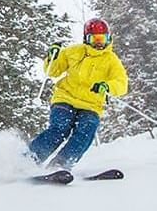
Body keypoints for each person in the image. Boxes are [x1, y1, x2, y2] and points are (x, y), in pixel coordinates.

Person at [27, 17, 129, 169]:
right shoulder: (73, 52)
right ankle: (29, 160)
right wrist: (52, 56)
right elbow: (53, 71)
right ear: (86, 38)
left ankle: (61, 165)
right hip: (65, 98)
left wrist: (107, 86)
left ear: (108, 38)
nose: (98, 43)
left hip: (91, 105)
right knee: (60, 128)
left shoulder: (111, 60)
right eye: (94, 39)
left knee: (85, 133)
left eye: (102, 38)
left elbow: (122, 83)